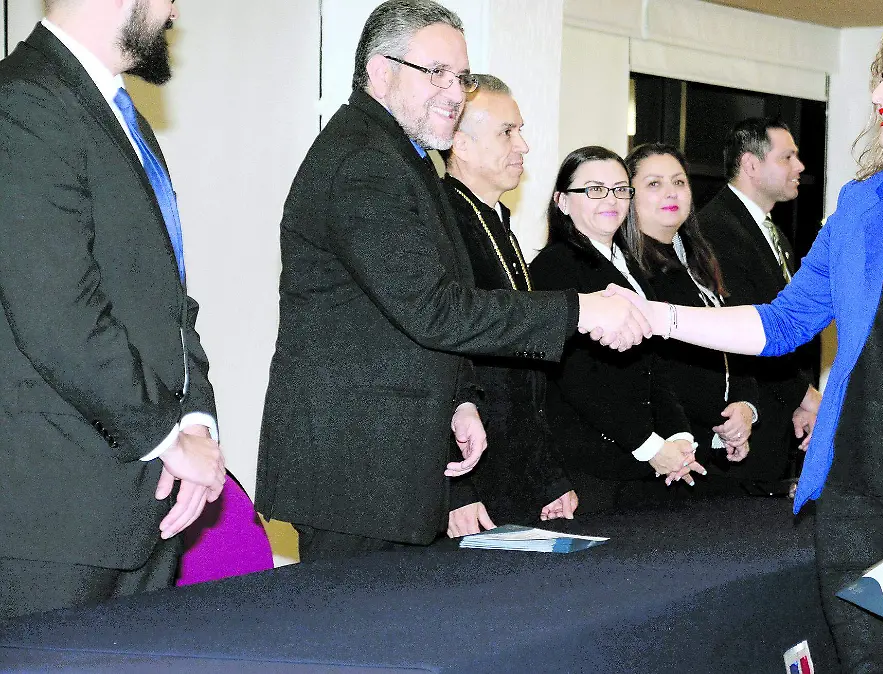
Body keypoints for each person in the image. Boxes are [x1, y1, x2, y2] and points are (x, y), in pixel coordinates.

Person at [608, 19, 883, 672]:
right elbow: (781, 323)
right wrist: (656, 318)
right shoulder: (862, 204)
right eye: (880, 75)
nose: (879, 88)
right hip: (857, 495)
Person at [255, 1, 652, 562]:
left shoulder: (407, 159)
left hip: (388, 461)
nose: (453, 91)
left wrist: (461, 400)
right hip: (357, 465)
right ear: (379, 72)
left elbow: (419, 318)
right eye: (435, 73)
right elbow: (435, 309)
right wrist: (579, 311)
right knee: (359, 643)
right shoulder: (364, 162)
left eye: (460, 77)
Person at [0, 0, 226, 618]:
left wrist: (196, 418)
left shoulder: (120, 115)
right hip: (54, 522)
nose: (174, 9)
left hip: (141, 507)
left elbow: (168, 300)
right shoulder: (24, 103)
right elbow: (57, 311)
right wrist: (165, 433)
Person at [529, 146, 705, 513]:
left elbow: (654, 363)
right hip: (588, 462)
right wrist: (650, 446)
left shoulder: (632, 265)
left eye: (620, 188)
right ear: (562, 202)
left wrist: (679, 434)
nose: (610, 199)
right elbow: (578, 377)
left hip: (639, 460)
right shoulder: (554, 266)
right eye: (594, 189)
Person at [441, 74, 578, 535]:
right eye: (507, 132)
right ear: (459, 143)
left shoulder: (496, 221)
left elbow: (524, 376)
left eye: (520, 130)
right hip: (470, 483)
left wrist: (547, 476)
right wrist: (456, 489)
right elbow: (438, 359)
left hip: (515, 480)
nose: (523, 145)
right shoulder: (444, 222)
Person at [697, 118, 822, 494]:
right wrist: (804, 393)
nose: (799, 167)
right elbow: (749, 330)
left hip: (773, 417)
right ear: (751, 165)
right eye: (787, 157)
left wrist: (799, 398)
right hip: (739, 427)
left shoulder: (771, 231)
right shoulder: (717, 229)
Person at [624, 143, 757, 486]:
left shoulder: (699, 258)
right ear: (627, 194)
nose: (671, 192)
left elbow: (733, 338)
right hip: (667, 454)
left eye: (679, 182)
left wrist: (745, 407)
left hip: (716, 450)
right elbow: (655, 371)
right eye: (654, 184)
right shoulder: (626, 269)